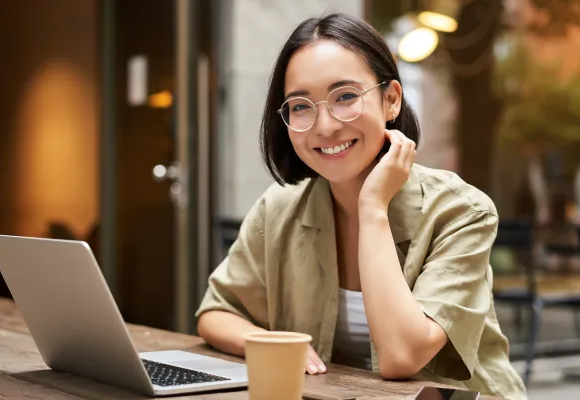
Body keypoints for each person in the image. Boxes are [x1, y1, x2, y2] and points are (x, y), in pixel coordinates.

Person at [195, 12, 527, 400]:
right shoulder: (280, 208)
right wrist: (271, 342)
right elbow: (216, 313)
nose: (324, 125)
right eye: (300, 106)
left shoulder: (461, 211)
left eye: (346, 97)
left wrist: (373, 207)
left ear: (391, 100)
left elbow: (402, 356)